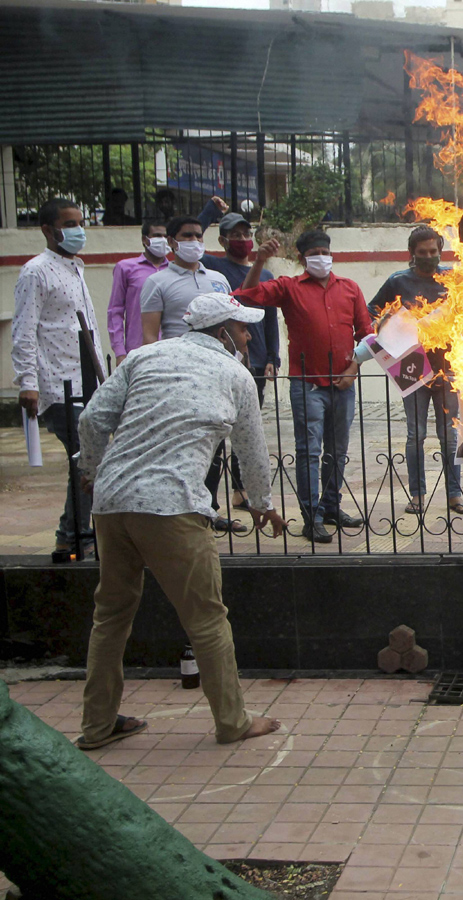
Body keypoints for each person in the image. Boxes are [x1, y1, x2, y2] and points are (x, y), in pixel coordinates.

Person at [75, 293, 284, 750]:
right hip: (173, 508)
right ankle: (232, 722)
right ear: (222, 332)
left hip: (111, 502)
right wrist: (264, 504)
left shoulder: (144, 357)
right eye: (243, 328)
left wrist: (92, 469)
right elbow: (251, 452)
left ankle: (96, 726)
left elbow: (92, 419)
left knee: (110, 617)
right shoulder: (235, 375)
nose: (249, 336)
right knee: (207, 619)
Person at [236, 231, 373, 544]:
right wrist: (258, 260)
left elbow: (367, 336)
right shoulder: (288, 287)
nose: (322, 257)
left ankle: (331, 507)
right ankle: (312, 516)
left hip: (342, 383)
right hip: (306, 383)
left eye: (325, 251)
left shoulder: (350, 288)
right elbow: (247, 296)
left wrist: (353, 369)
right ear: (302, 258)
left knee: (336, 451)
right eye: (314, 252)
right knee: (309, 452)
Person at [139, 216, 242, 534]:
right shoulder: (157, 283)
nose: (195, 241)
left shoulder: (218, 279)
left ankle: (208, 509)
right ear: (171, 241)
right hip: (176, 378)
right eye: (187, 236)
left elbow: (231, 325)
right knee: (179, 448)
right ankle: (178, 512)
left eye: (199, 236)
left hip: (214, 376)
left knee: (214, 447)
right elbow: (149, 336)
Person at [13, 198, 102, 562]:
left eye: (81, 222)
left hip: (87, 380)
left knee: (89, 459)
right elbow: (24, 330)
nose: (78, 230)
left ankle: (72, 535)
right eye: (69, 223)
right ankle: (76, 536)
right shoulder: (36, 272)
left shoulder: (74, 268)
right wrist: (27, 382)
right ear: (48, 230)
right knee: (86, 459)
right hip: (58, 383)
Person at [369, 225, 463, 517]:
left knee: (450, 436)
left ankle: (454, 495)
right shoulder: (398, 281)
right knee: (416, 435)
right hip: (410, 366)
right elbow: (372, 311)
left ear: (441, 250)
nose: (430, 257)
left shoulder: (454, 278)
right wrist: (393, 330)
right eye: (423, 253)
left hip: (449, 366)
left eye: (434, 252)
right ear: (412, 253)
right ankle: (417, 495)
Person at [196, 197, 283, 518]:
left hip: (256, 359)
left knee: (245, 427)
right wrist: (209, 213)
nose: (242, 239)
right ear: (222, 240)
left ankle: (240, 490)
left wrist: (273, 355)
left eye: (246, 233)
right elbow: (187, 238)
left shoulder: (267, 273)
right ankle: (208, 497)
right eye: (235, 234)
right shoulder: (214, 267)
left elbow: (271, 317)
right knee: (218, 426)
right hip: (222, 358)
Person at [107, 220, 169, 366]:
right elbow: (115, 311)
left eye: (166, 236)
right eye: (157, 236)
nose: (162, 240)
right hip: (137, 350)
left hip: (171, 350)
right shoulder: (125, 268)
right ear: (144, 239)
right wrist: (120, 352)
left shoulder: (175, 270)